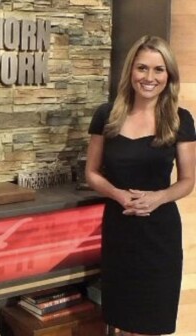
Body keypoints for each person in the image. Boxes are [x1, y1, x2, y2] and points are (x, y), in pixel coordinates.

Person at [85, 35, 195, 336]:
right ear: (130, 71)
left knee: (152, 322)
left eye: (159, 70)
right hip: (120, 230)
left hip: (160, 234)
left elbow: (188, 181)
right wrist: (119, 195)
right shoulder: (106, 116)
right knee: (121, 320)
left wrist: (158, 198)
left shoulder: (180, 120)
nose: (150, 77)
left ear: (168, 75)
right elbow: (91, 173)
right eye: (142, 68)